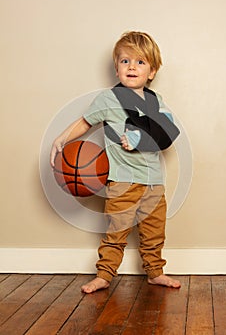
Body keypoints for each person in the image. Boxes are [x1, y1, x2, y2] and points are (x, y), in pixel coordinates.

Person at [50, 31, 181, 293]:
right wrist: (62, 138)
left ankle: (155, 272)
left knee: (154, 233)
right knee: (116, 233)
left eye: (140, 62)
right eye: (125, 61)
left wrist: (139, 138)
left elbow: (169, 132)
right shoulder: (109, 99)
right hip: (122, 182)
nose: (132, 67)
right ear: (117, 67)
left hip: (154, 183)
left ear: (152, 71)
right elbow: (86, 121)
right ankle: (104, 275)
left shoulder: (157, 102)